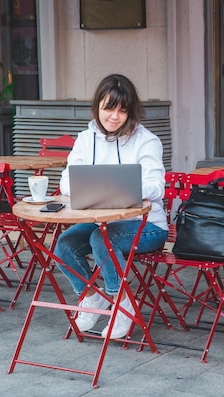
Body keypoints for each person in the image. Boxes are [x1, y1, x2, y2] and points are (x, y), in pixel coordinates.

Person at [54, 74, 168, 339]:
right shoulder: (85, 139)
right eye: (109, 108)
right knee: (64, 245)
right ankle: (92, 297)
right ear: (97, 106)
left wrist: (127, 187)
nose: (114, 116)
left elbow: (157, 187)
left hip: (147, 225)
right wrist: (100, 186)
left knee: (101, 239)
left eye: (122, 110)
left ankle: (122, 303)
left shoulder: (147, 140)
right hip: (100, 222)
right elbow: (66, 182)